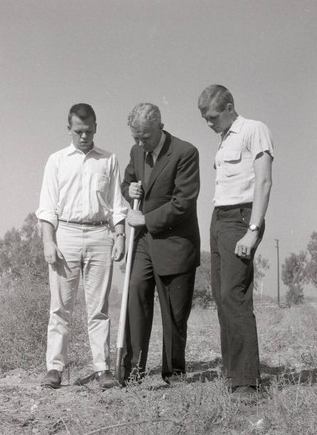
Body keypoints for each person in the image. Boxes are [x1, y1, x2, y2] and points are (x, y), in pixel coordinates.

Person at [36, 103, 127, 390]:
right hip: (67, 235)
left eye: (88, 131)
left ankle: (102, 369)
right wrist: (49, 242)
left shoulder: (109, 160)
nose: (84, 137)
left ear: (96, 128)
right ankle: (54, 368)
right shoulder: (56, 160)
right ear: (69, 129)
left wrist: (120, 235)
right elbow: (47, 207)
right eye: (78, 131)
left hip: (101, 235)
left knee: (98, 308)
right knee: (60, 307)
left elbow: (116, 205)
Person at [197, 85, 274, 395]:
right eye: (204, 118)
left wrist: (253, 229)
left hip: (241, 219)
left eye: (212, 116)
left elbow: (264, 181)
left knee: (234, 295)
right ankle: (233, 373)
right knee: (221, 295)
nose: (209, 122)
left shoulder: (254, 130)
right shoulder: (224, 139)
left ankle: (246, 382)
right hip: (219, 219)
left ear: (229, 107)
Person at [121, 102, 200, 384]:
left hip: (176, 244)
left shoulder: (185, 152)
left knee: (174, 315)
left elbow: (183, 203)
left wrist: (146, 219)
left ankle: (174, 374)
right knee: (135, 296)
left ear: (160, 128)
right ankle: (132, 372)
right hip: (144, 244)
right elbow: (127, 183)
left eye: (145, 137)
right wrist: (127, 188)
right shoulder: (136, 151)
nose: (141, 143)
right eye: (136, 137)